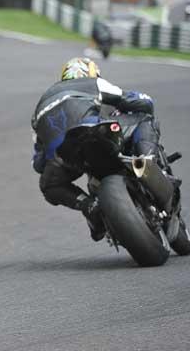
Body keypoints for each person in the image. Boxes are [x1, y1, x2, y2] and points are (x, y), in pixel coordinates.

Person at [30, 58, 158, 241]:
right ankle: (147, 162)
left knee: (49, 184)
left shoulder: (39, 108)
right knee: (144, 117)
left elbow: (38, 164)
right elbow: (143, 103)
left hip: (67, 154)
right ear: (91, 72)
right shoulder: (93, 83)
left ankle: (90, 206)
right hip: (98, 136)